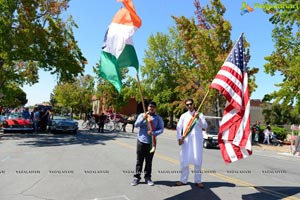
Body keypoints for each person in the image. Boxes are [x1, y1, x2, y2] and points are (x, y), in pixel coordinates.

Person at [176, 98, 207, 188]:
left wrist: (198, 119)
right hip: (186, 141)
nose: (189, 106)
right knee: (184, 161)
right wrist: (179, 138)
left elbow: (205, 126)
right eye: (187, 104)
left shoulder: (200, 115)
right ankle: (183, 180)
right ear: (186, 106)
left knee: (198, 161)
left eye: (191, 104)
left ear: (194, 104)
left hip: (197, 142)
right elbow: (179, 128)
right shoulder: (184, 116)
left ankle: (198, 181)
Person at [131, 101, 164, 186]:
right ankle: (136, 177)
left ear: (155, 108)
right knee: (139, 161)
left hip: (151, 143)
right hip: (141, 141)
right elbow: (136, 124)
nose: (151, 108)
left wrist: (153, 133)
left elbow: (161, 129)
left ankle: (148, 178)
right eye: (150, 106)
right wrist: (143, 118)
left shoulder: (158, 118)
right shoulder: (142, 115)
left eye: (153, 106)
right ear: (147, 107)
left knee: (149, 162)